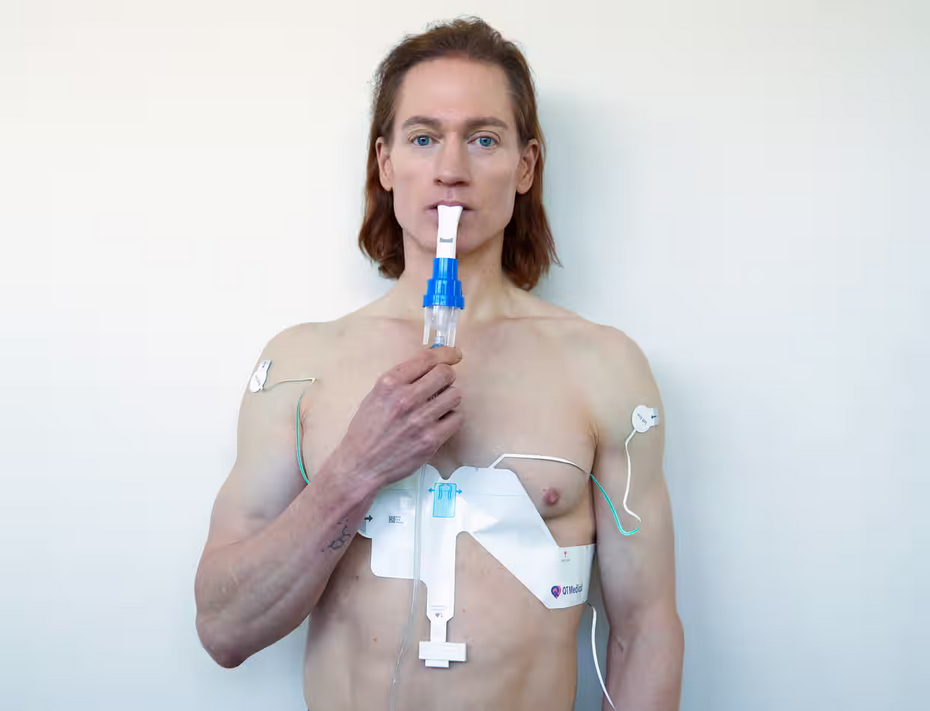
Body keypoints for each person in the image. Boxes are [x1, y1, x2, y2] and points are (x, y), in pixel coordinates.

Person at [194, 16, 683, 711]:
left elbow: (644, 632)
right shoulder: (301, 364)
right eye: (424, 137)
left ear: (525, 166)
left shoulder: (603, 368)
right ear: (386, 162)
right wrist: (355, 468)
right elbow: (223, 628)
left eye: (483, 139)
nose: (451, 169)